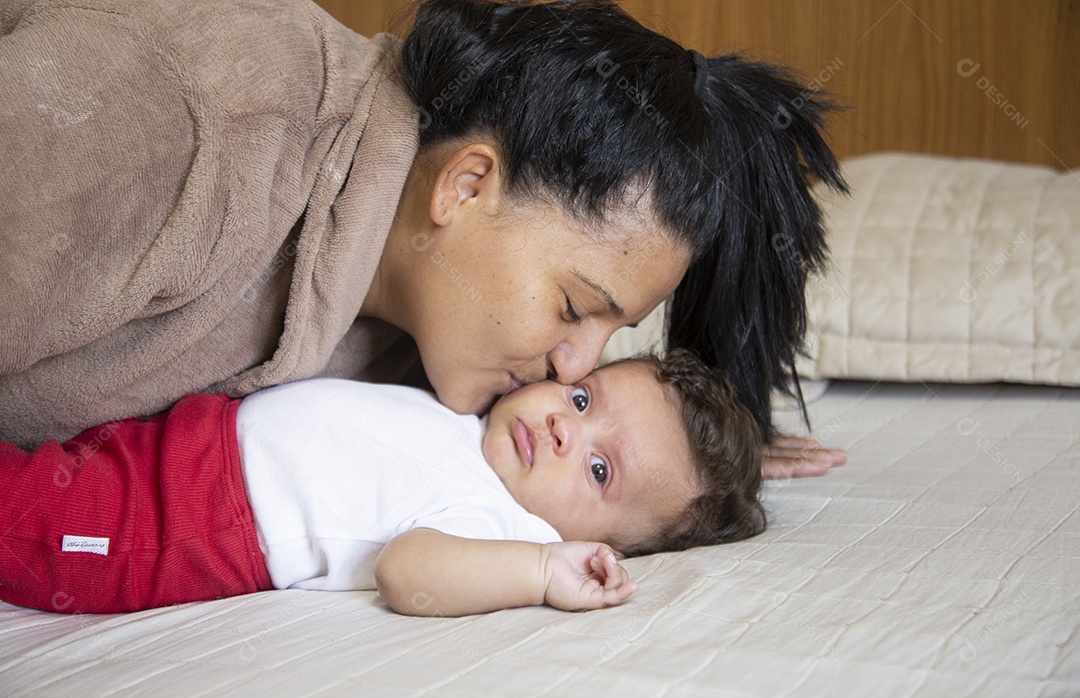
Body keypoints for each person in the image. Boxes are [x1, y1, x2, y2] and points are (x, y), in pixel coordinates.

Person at [0, 0, 844, 475]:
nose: (574, 365)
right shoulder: (183, 120)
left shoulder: (435, 328)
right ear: (466, 184)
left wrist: (676, 473)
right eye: (573, 305)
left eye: (610, 335)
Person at [0, 349, 763, 617]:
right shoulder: (476, 416)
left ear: (594, 543)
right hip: (191, 437)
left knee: (21, 518)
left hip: (187, 524)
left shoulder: (510, 530)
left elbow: (406, 569)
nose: (566, 427)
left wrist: (539, 574)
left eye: (599, 470)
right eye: (584, 397)